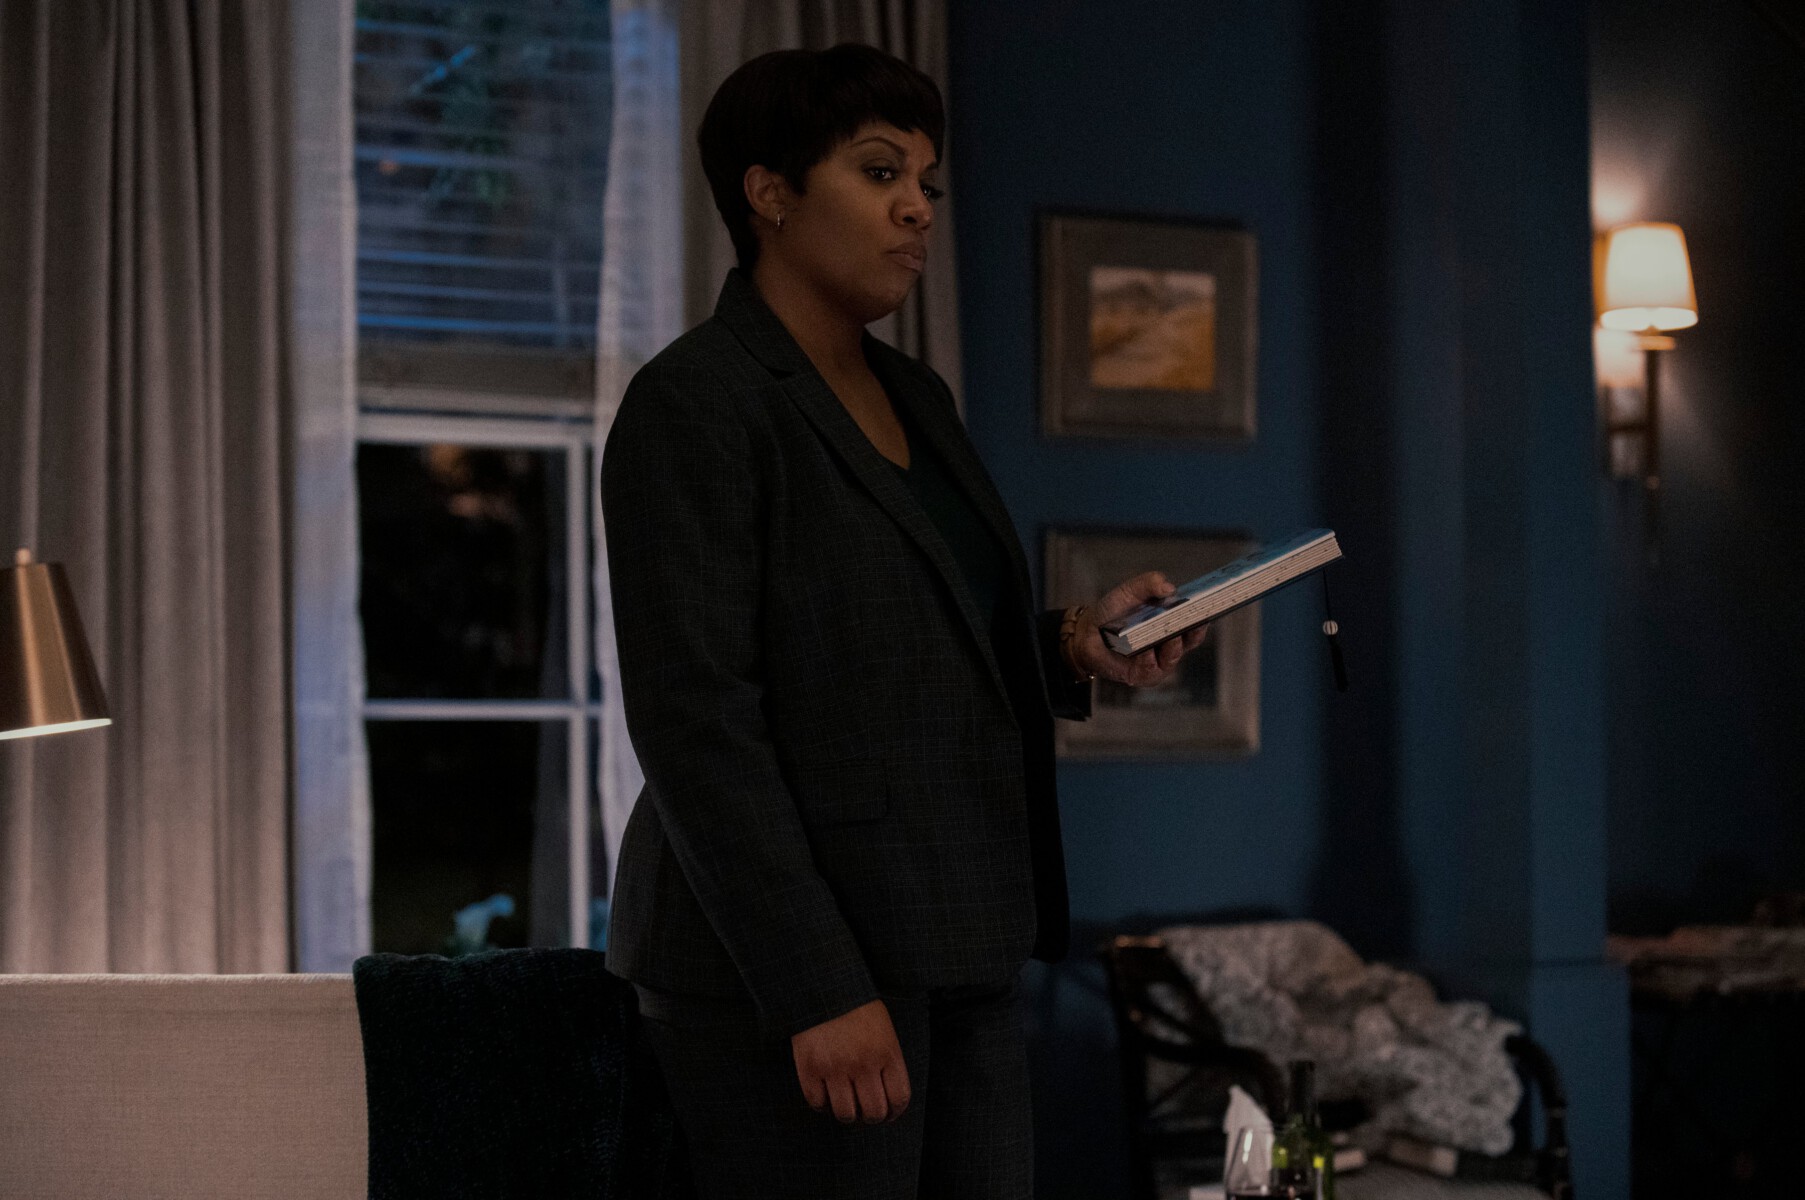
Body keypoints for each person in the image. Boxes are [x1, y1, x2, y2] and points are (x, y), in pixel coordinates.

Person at [600, 42, 1209, 1200]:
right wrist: (816, 986)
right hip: (787, 975)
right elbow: (695, 723)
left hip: (961, 939)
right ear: (769, 193)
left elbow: (903, 644)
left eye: (925, 181)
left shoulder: (915, 394)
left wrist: (1072, 642)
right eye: (879, 173)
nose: (918, 208)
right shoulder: (695, 403)